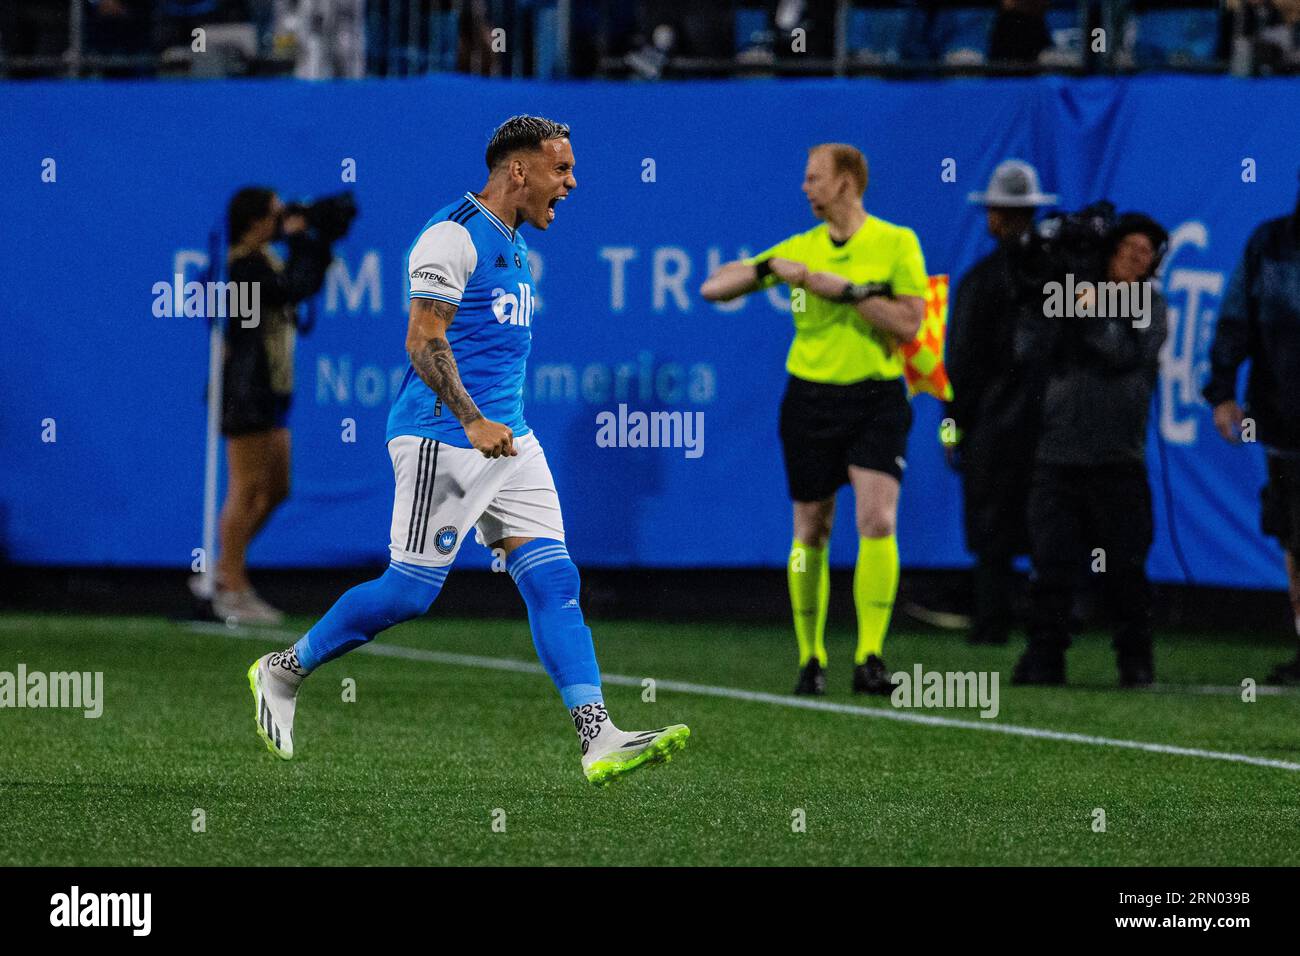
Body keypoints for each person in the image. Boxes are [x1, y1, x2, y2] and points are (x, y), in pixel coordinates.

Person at [247, 116, 691, 786]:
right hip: (442, 436)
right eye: (560, 169)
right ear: (519, 169)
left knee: (553, 580)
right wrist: (473, 419)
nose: (571, 184)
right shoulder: (454, 233)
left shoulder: (513, 243)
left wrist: (494, 425)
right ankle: (283, 671)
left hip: (508, 438)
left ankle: (598, 737)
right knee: (408, 593)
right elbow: (423, 339)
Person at [700, 143, 928, 696]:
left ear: (846, 182)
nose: (805, 188)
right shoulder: (802, 248)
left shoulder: (896, 243)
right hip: (809, 400)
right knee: (812, 529)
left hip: (875, 397)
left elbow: (908, 323)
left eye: (814, 178)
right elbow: (713, 288)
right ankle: (811, 657)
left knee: (878, 520)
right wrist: (767, 268)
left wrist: (844, 293)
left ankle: (870, 654)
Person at [1013, 209, 1169, 687]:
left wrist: (1087, 309)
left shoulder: (1150, 305)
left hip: (1118, 461)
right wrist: (1053, 300)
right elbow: (1026, 348)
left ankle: (1135, 659)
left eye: (1144, 254)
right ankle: (1044, 657)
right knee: (1052, 564)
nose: (1134, 261)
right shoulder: (1069, 295)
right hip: (1058, 457)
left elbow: (1124, 352)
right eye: (1127, 250)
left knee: (1125, 569)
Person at [196, 187, 335, 624]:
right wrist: (302, 242)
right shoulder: (244, 265)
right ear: (256, 220)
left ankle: (224, 570)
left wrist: (314, 242)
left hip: (271, 387)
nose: (282, 221)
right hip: (247, 389)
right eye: (276, 215)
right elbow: (292, 288)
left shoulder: (258, 260)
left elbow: (295, 289)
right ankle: (231, 587)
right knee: (245, 488)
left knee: (276, 487)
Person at [947, 159, 1058, 646]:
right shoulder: (1060, 273)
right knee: (1043, 527)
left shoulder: (980, 280)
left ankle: (994, 622)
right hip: (1047, 422)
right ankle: (1047, 622)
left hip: (997, 423)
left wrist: (954, 429)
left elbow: (960, 366)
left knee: (996, 528)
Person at [1204, 182, 1300, 684]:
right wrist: (1222, 391)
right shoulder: (1270, 246)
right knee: (1294, 537)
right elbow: (1235, 321)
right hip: (1285, 421)